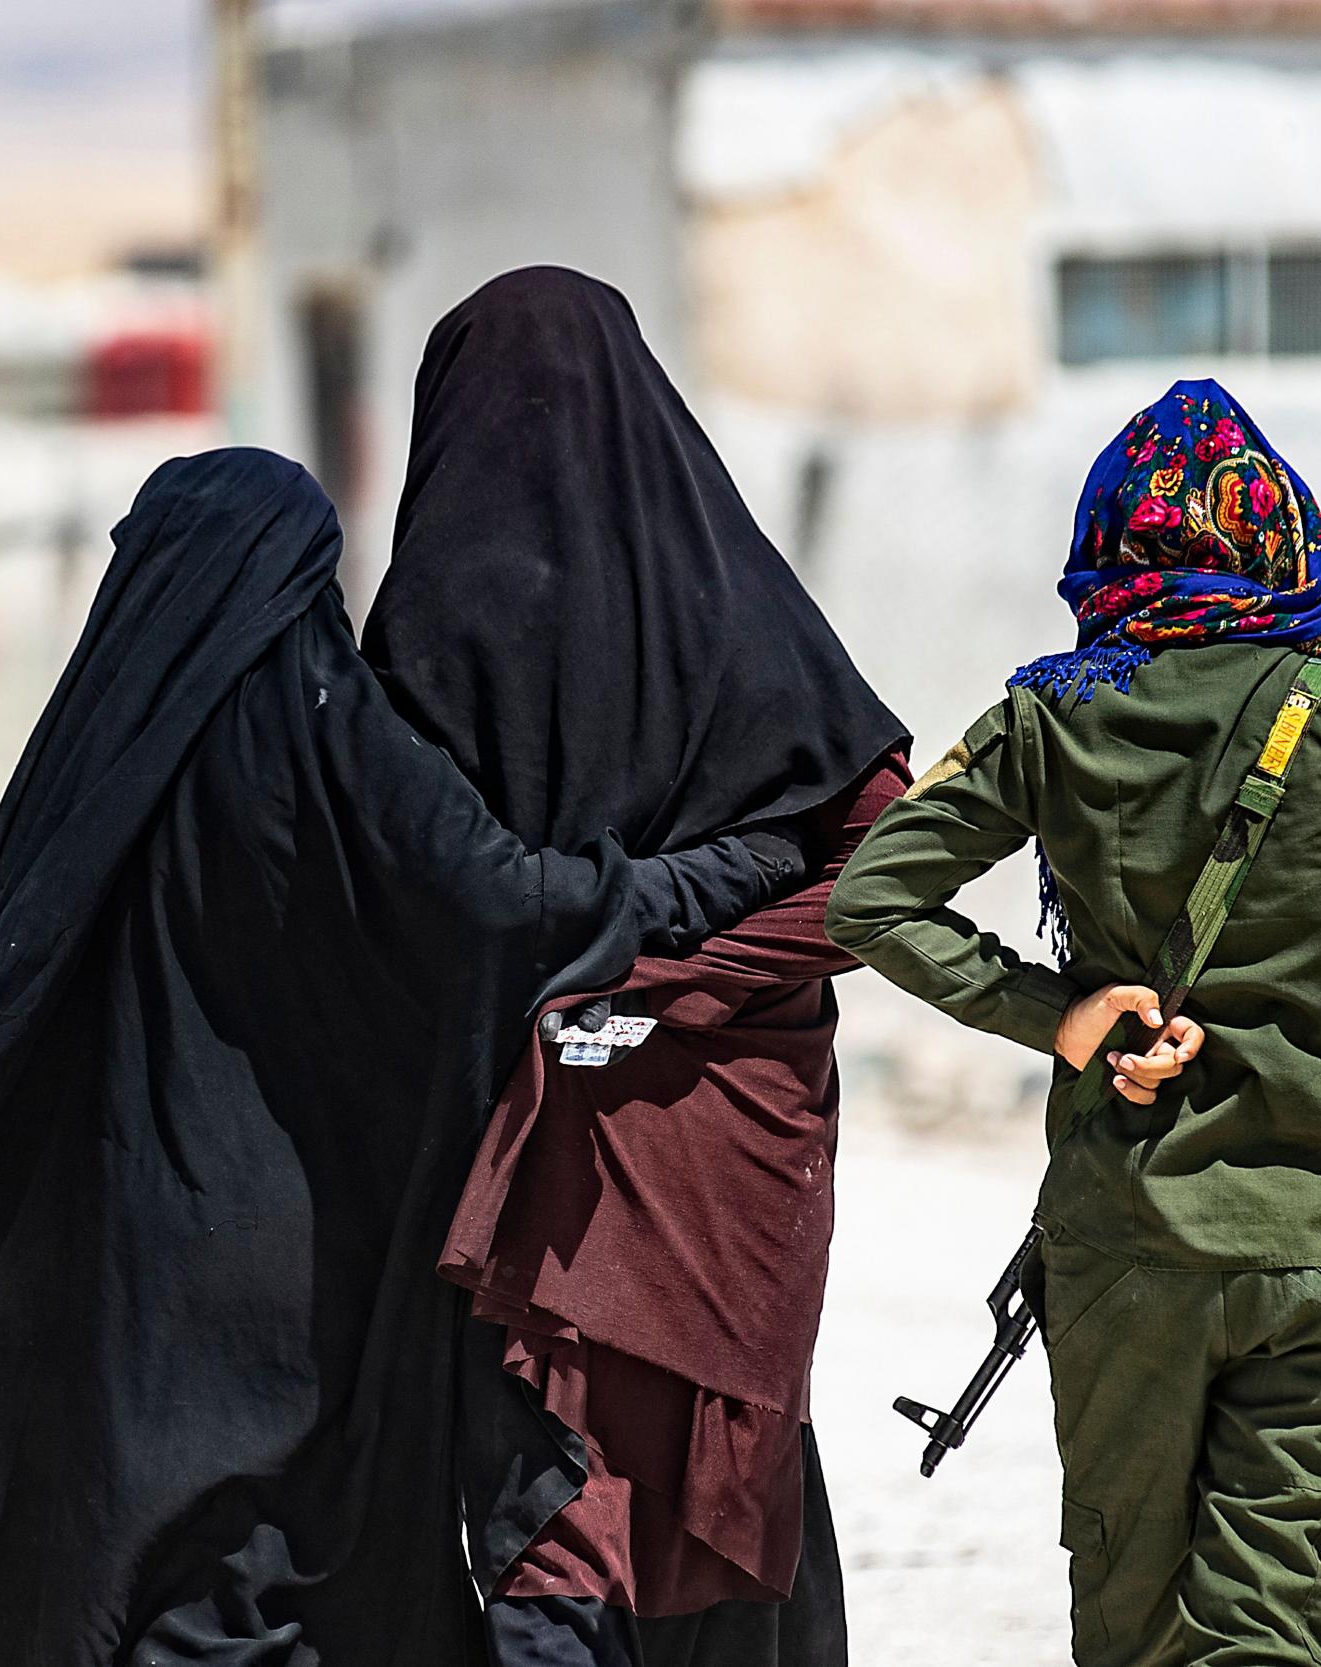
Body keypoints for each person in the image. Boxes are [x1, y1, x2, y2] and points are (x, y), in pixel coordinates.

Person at [0, 448, 810, 1666]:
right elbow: (501, 899)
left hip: (107, 1230)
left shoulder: (94, 743)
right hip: (288, 1236)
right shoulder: (332, 727)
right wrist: (725, 874)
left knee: (112, 1525)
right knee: (255, 1551)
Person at [826, 379, 1321, 1667]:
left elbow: (873, 901)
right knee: (1274, 1627)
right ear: (1284, 540)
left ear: (1105, 543)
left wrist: (1062, 1016)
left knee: (1134, 1628)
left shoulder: (1051, 712)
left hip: (1128, 1242)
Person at [359, 267, 910, 1667]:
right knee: (695, 1481)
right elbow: (884, 862)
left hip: (520, 1143)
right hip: (719, 1147)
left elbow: (395, 889)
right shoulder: (740, 605)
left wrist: (594, 958)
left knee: (548, 1501)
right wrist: (694, 963)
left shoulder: (426, 622)